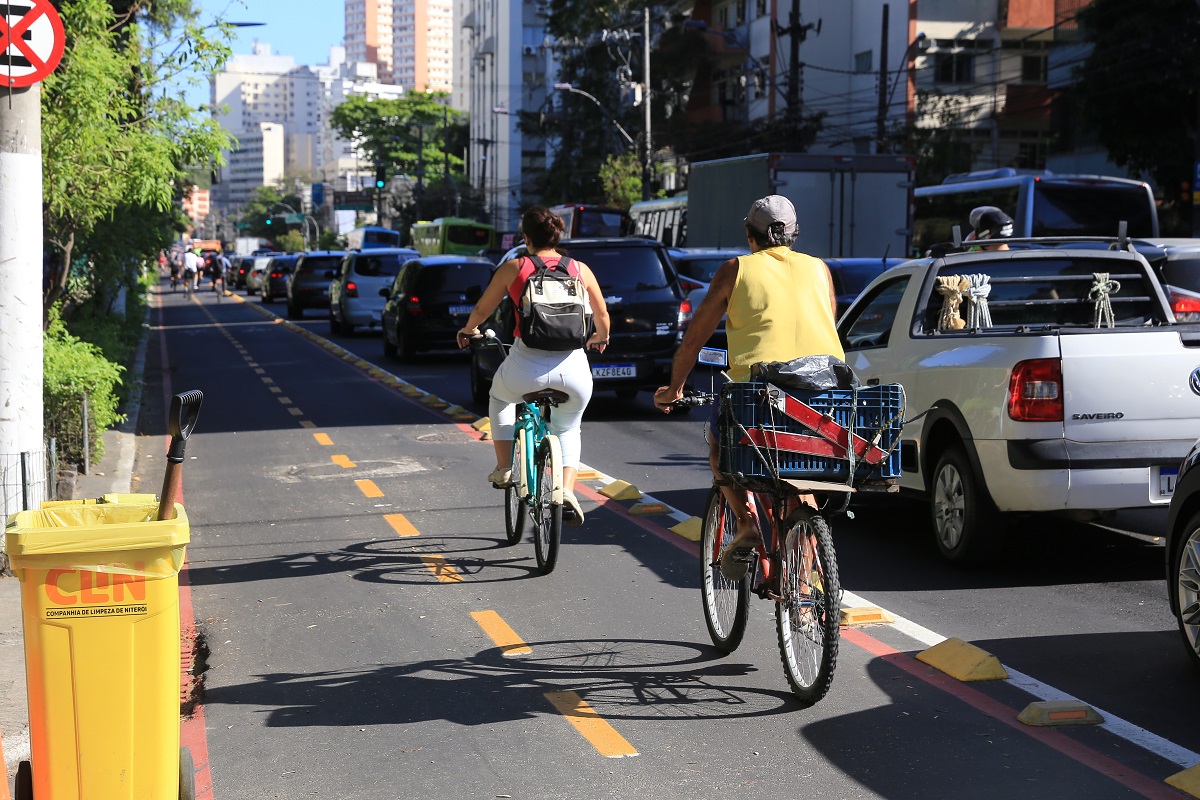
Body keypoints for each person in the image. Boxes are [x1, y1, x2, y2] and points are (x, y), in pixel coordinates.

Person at [653, 195, 844, 578]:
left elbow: (694, 340)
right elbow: (828, 322)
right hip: (825, 396)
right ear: (794, 234)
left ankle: (745, 524)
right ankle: (803, 592)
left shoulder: (735, 269)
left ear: (749, 234)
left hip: (758, 397)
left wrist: (674, 389)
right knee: (800, 474)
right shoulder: (819, 269)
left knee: (718, 446)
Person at [456, 206, 611, 525]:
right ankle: (566, 490)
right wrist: (599, 337)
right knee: (568, 426)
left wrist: (468, 329)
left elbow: (483, 309)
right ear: (558, 235)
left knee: (499, 398)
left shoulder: (515, 267)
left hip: (526, 367)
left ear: (525, 237)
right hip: (574, 371)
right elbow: (603, 317)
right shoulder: (580, 269)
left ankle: (504, 468)